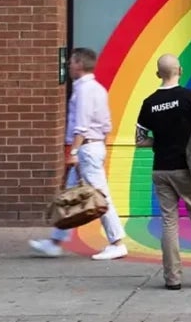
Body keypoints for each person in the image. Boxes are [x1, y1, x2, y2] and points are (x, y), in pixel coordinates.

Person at [136, 54, 191, 290]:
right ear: (181, 70)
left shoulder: (149, 102)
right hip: (189, 170)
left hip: (161, 170)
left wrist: (160, 142)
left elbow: (140, 140)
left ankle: (172, 279)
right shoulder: (189, 97)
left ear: (158, 74)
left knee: (169, 222)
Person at [29, 48, 127, 260]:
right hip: (92, 146)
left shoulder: (83, 90)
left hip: (85, 149)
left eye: (72, 62)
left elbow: (81, 126)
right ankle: (55, 242)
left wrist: (73, 151)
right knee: (71, 197)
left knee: (100, 196)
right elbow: (105, 124)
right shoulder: (98, 89)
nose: (69, 65)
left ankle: (117, 242)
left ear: (80, 64)